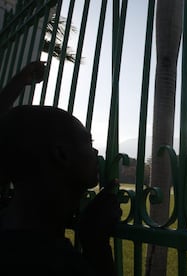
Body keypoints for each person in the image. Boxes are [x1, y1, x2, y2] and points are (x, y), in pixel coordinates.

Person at [0, 62, 121, 275]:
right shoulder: (54, 264)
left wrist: (17, 82)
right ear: (62, 154)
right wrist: (96, 244)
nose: (96, 154)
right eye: (88, 143)